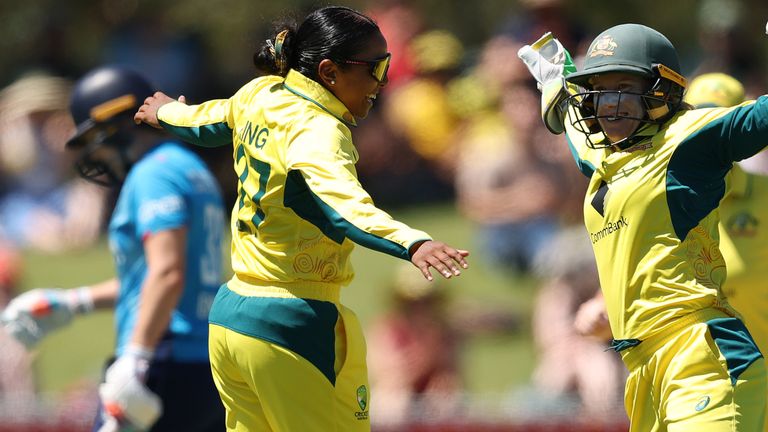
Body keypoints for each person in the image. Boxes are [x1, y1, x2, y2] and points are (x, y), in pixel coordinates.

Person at [133, 6, 470, 432]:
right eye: (375, 68)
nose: (382, 83)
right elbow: (345, 209)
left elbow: (207, 121)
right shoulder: (318, 131)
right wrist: (413, 243)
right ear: (328, 71)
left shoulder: (262, 93)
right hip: (291, 324)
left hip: (232, 320)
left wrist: (165, 113)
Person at [518, 24, 767, 431]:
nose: (610, 105)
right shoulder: (607, 159)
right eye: (599, 91)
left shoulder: (691, 139)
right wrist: (561, 89)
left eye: (623, 88)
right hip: (643, 369)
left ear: (663, 91)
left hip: (700, 354)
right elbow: (580, 140)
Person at [0, 66, 227, 432]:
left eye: (94, 138)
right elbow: (159, 277)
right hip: (205, 361)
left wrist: (136, 357)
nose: (94, 155)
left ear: (116, 124)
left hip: (166, 357)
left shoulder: (153, 174)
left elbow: (167, 272)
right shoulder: (188, 166)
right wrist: (74, 302)